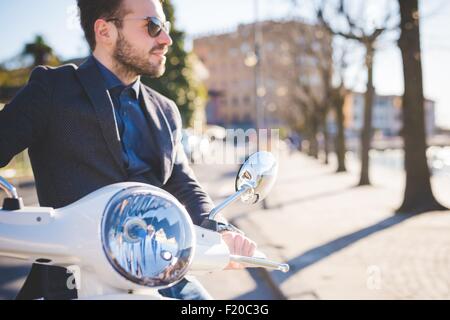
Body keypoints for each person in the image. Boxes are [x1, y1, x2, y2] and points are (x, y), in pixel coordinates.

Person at [0, 0, 257, 300]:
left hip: (161, 275)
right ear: (105, 30)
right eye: (153, 26)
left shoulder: (166, 110)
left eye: (166, 28)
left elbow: (183, 183)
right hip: (73, 280)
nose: (166, 39)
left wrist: (221, 229)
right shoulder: (52, 89)